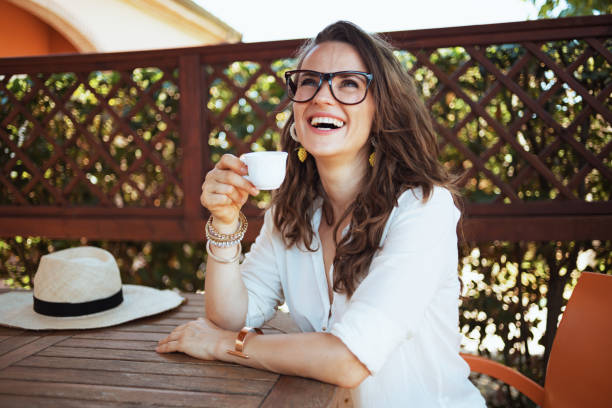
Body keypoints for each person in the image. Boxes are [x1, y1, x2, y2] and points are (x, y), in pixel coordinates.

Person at [157, 21, 486, 407]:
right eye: (309, 81)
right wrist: (226, 222)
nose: (322, 97)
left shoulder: (423, 210)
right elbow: (233, 315)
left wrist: (225, 347)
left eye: (348, 83)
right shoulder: (293, 210)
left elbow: (349, 359)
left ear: (382, 109)